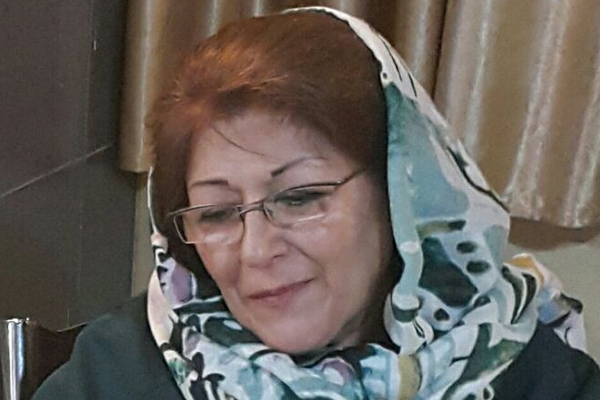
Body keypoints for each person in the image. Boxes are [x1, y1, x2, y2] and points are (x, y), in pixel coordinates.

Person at [33, 7, 600, 400]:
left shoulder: (529, 373)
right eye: (217, 213)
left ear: (401, 197)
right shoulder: (117, 375)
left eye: (301, 198)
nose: (257, 251)